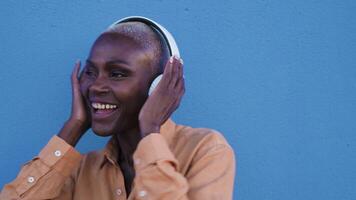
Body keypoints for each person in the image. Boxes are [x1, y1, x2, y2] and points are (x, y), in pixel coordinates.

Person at [0, 16, 235, 200]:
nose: (96, 86)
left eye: (117, 73)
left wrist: (150, 131)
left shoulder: (206, 150)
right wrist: (73, 127)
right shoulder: (81, 170)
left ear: (158, 86)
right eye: (90, 72)